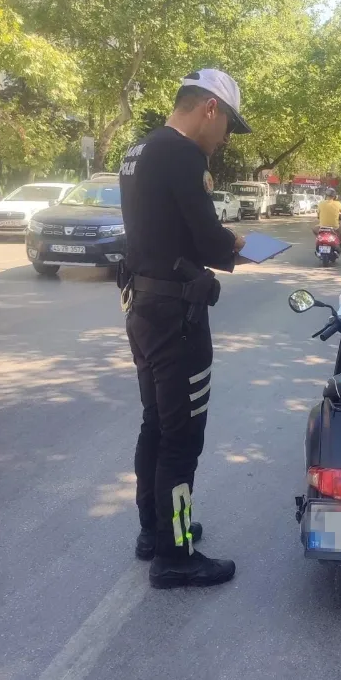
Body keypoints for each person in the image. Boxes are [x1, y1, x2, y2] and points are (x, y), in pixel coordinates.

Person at [119, 68, 251, 589]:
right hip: (176, 318)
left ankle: (153, 531)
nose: (225, 139)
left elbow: (163, 231)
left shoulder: (138, 150)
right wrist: (235, 244)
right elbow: (208, 241)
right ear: (209, 109)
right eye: (228, 126)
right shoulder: (182, 154)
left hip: (142, 308)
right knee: (182, 439)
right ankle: (175, 555)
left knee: (155, 422)